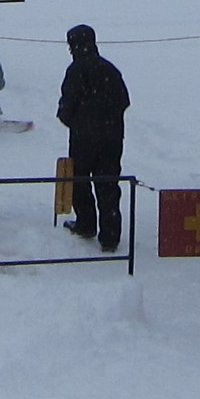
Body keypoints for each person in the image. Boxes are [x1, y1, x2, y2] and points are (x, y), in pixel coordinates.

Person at [56, 23, 129, 251]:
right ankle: (110, 237)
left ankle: (86, 224)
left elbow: (67, 106)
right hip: (112, 138)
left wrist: (78, 121)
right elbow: (123, 101)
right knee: (108, 185)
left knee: (80, 181)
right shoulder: (110, 69)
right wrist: (108, 121)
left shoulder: (75, 70)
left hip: (83, 138)